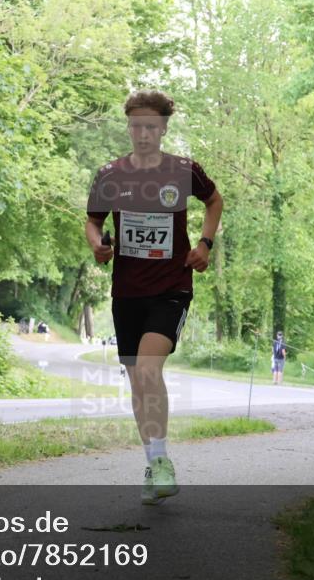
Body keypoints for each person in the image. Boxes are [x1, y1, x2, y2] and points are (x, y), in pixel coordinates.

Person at [85, 90, 224, 505]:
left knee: (148, 371)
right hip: (127, 292)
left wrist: (205, 244)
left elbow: (214, 201)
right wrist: (97, 245)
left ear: (163, 128)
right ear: (128, 126)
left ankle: (162, 463)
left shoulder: (184, 171)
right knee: (136, 381)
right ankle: (153, 461)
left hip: (171, 287)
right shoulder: (110, 174)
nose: (142, 133)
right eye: (135, 126)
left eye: (150, 126)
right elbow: (93, 220)